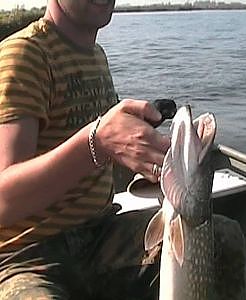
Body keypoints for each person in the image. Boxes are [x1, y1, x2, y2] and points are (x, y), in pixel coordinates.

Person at [0, 0, 170, 299]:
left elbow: (105, 153)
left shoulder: (96, 57)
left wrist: (157, 155)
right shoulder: (24, 54)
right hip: (27, 258)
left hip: (98, 236)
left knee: (219, 237)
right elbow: (5, 201)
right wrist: (97, 141)